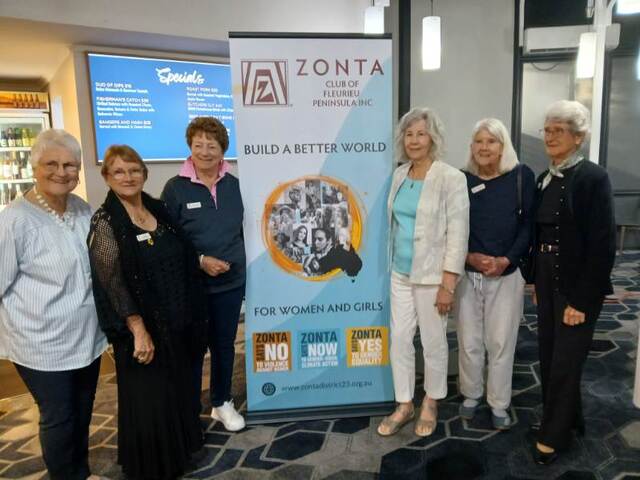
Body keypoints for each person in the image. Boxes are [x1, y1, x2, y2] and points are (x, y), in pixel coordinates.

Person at [88, 144, 205, 479]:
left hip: (176, 321)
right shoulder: (105, 222)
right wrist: (138, 329)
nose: (128, 177)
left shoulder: (158, 208)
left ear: (144, 173)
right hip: (142, 330)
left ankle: (180, 451)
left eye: (134, 170)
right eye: (119, 171)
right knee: (150, 398)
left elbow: (183, 254)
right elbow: (113, 283)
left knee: (176, 389)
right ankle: (155, 466)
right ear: (107, 177)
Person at [0, 129, 107, 480]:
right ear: (35, 167)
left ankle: (80, 472)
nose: (61, 172)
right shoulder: (14, 221)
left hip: (86, 339)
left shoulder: (81, 209)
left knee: (83, 410)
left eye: (70, 165)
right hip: (41, 344)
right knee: (59, 416)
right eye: (52, 164)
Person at [530, 100, 615, 464]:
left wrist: (580, 301)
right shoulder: (544, 178)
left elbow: (603, 246)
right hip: (547, 277)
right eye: (547, 130)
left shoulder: (594, 178)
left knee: (566, 360)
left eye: (559, 131)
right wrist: (535, 282)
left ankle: (553, 436)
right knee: (550, 355)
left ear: (578, 137)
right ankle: (569, 418)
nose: (550, 137)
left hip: (578, 283)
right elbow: (539, 235)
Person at [378, 107, 469, 437]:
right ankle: (404, 403)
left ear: (433, 139)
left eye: (421, 134)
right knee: (400, 339)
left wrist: (448, 284)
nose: (414, 140)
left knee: (433, 341)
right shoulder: (400, 175)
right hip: (400, 273)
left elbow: (458, 234)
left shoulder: (451, 178)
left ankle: (431, 401)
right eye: (409, 134)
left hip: (433, 277)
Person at [161, 116, 246, 431]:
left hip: (231, 283)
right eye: (199, 145)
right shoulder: (175, 188)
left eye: (212, 145)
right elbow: (168, 239)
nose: (205, 152)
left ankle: (221, 401)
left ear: (223, 150)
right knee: (193, 348)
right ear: (190, 147)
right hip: (192, 286)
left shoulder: (235, 186)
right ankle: (189, 409)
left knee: (224, 345)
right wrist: (199, 260)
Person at [455, 118, 535, 430]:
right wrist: (468, 257)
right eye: (479, 141)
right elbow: (451, 226)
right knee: (469, 339)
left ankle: (499, 402)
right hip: (468, 273)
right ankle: (471, 393)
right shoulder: (460, 179)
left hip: (506, 273)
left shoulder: (521, 176)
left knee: (501, 341)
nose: (484, 147)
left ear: (503, 146)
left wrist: (506, 259)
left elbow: (528, 225)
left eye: (491, 141)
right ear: (471, 146)